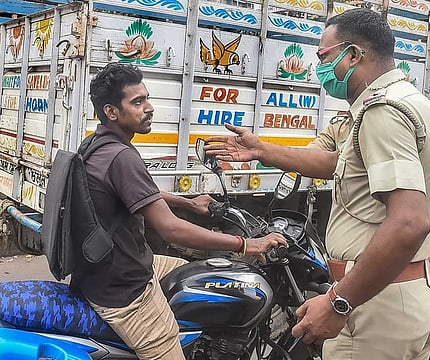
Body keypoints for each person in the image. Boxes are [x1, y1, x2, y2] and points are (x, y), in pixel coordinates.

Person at [206, 8, 430, 359]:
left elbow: (409, 222)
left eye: (324, 55)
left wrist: (338, 303)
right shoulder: (410, 101)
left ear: (354, 54)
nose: (318, 66)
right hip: (407, 290)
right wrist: (262, 149)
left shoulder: (382, 112)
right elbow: (341, 163)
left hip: (376, 307)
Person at [69, 62, 287, 360]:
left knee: (197, 272)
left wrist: (189, 203)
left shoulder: (96, 145)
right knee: (167, 349)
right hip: (123, 288)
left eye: (147, 98)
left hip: (107, 268)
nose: (149, 107)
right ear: (111, 111)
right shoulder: (122, 157)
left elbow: (141, 194)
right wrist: (246, 244)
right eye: (138, 102)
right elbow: (171, 228)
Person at [310, 115, 430, 360]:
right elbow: (320, 156)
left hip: (390, 282)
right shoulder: (344, 125)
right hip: (386, 282)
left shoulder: (388, 118)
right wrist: (266, 152)